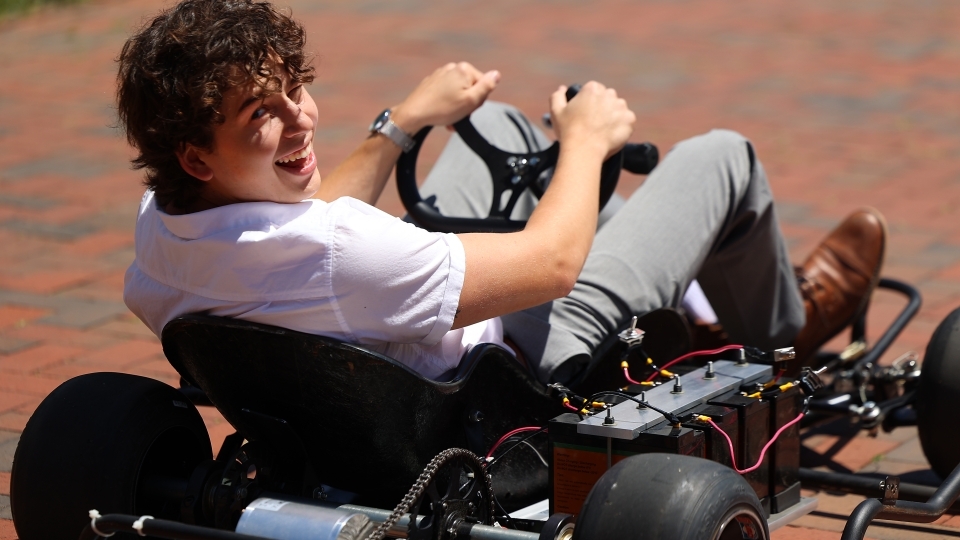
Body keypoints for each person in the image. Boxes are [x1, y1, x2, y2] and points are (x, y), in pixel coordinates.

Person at [118, 0, 886, 384]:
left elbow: (308, 224)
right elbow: (551, 266)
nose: (301, 120)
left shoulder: (163, 233)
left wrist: (405, 123)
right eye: (263, 113)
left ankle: (689, 302)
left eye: (294, 91)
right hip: (517, 358)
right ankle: (789, 330)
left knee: (504, 129)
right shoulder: (340, 256)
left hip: (377, 338)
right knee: (723, 157)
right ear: (197, 156)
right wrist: (586, 140)